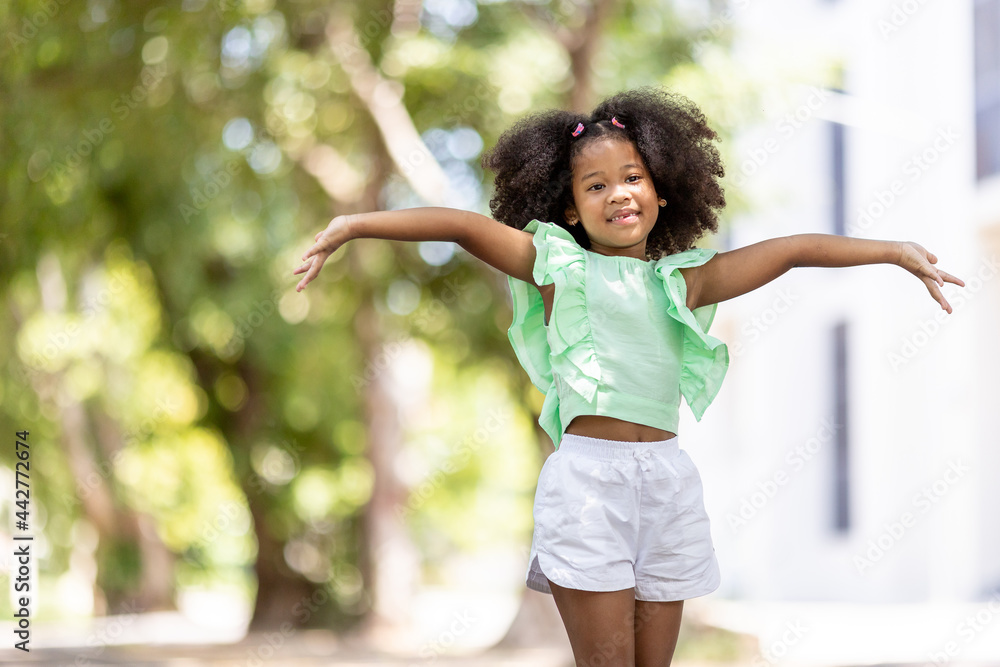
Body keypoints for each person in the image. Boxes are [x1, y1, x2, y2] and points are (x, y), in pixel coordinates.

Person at [293, 86, 964, 666]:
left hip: (667, 484)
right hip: (588, 484)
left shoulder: (684, 281)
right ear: (569, 209)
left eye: (633, 176)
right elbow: (463, 226)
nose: (619, 192)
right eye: (596, 185)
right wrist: (354, 224)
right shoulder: (556, 265)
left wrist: (893, 252)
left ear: (662, 188)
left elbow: (789, 252)